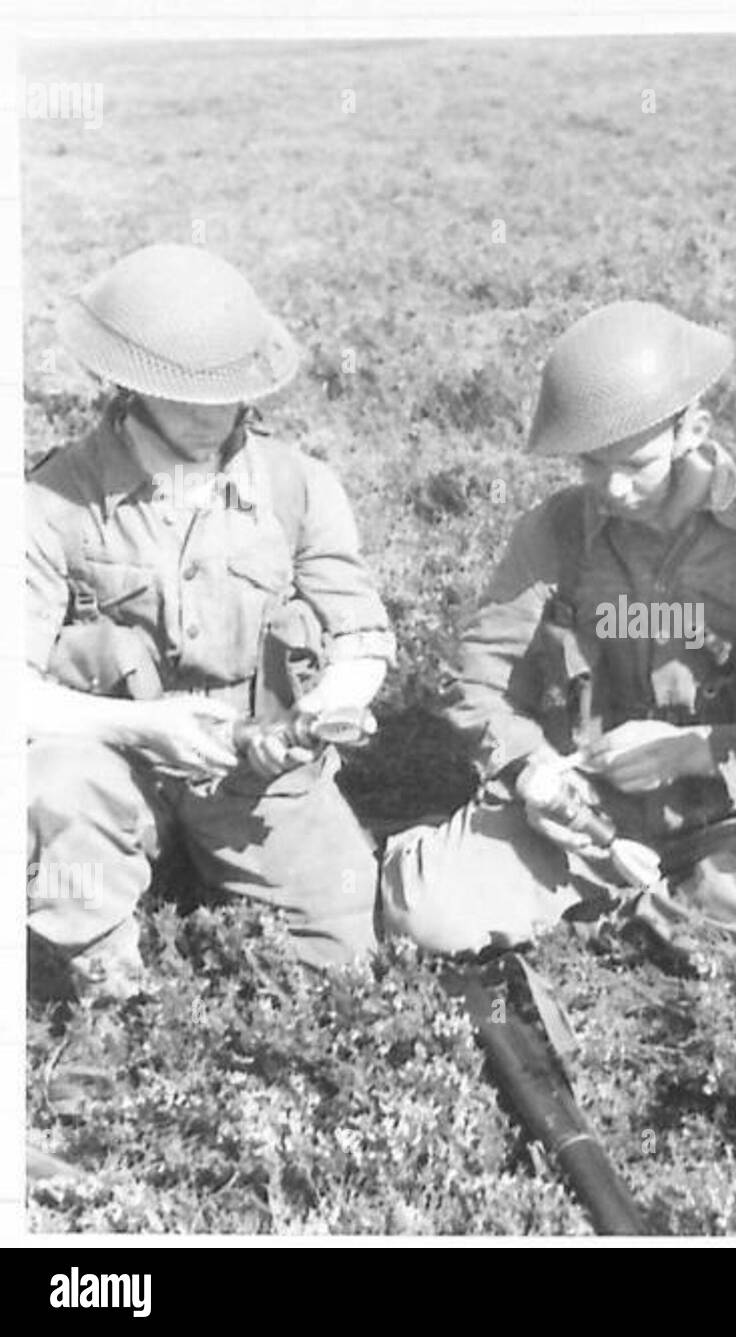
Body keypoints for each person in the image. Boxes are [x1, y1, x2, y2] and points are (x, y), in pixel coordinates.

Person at [382, 301, 736, 957]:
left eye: (633, 463)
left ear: (692, 429)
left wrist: (694, 748)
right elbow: (477, 684)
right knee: (427, 917)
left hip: (733, 809)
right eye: (590, 464)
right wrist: (536, 774)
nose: (609, 487)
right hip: (580, 812)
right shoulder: (554, 533)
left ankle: (622, 922)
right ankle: (643, 913)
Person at [27, 243, 395, 1000]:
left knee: (347, 961)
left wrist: (331, 703)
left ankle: (197, 864)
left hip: (257, 772)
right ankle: (101, 967)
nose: (212, 417)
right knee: (53, 782)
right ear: (124, 385)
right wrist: (144, 728)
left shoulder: (300, 485)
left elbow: (361, 633)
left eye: (230, 394)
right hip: (116, 761)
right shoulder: (48, 502)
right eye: (186, 396)